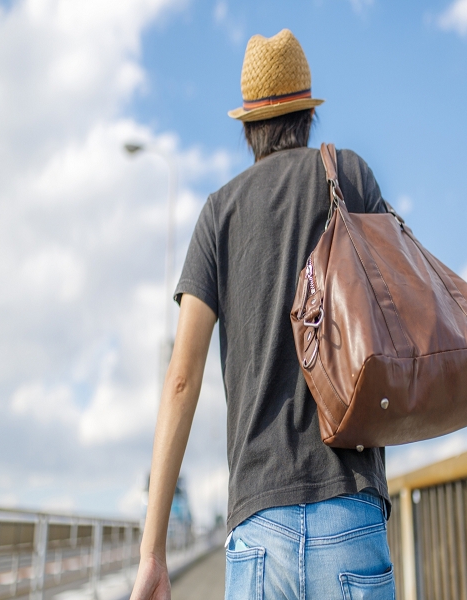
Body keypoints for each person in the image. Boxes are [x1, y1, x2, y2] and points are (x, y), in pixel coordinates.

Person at [130, 29, 395, 600]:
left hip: (257, 526)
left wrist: (153, 552)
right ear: (307, 116)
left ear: (247, 128)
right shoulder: (348, 177)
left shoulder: (217, 214)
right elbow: (397, 307)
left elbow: (182, 378)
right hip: (348, 505)